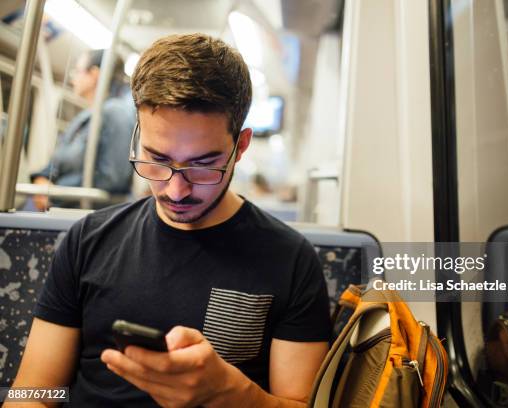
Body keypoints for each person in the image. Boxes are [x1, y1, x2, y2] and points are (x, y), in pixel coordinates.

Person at [8, 33, 331, 407]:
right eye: (157, 159)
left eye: (203, 165)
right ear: (138, 136)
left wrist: (231, 393)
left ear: (240, 147)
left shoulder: (290, 259)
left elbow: (300, 402)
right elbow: (34, 392)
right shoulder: (88, 240)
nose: (176, 191)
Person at [30, 49, 135, 210]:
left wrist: (54, 194)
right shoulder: (85, 117)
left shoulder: (116, 113)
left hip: (80, 212)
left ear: (94, 74)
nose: (73, 79)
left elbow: (112, 178)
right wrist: (42, 178)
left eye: (77, 71)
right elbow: (58, 161)